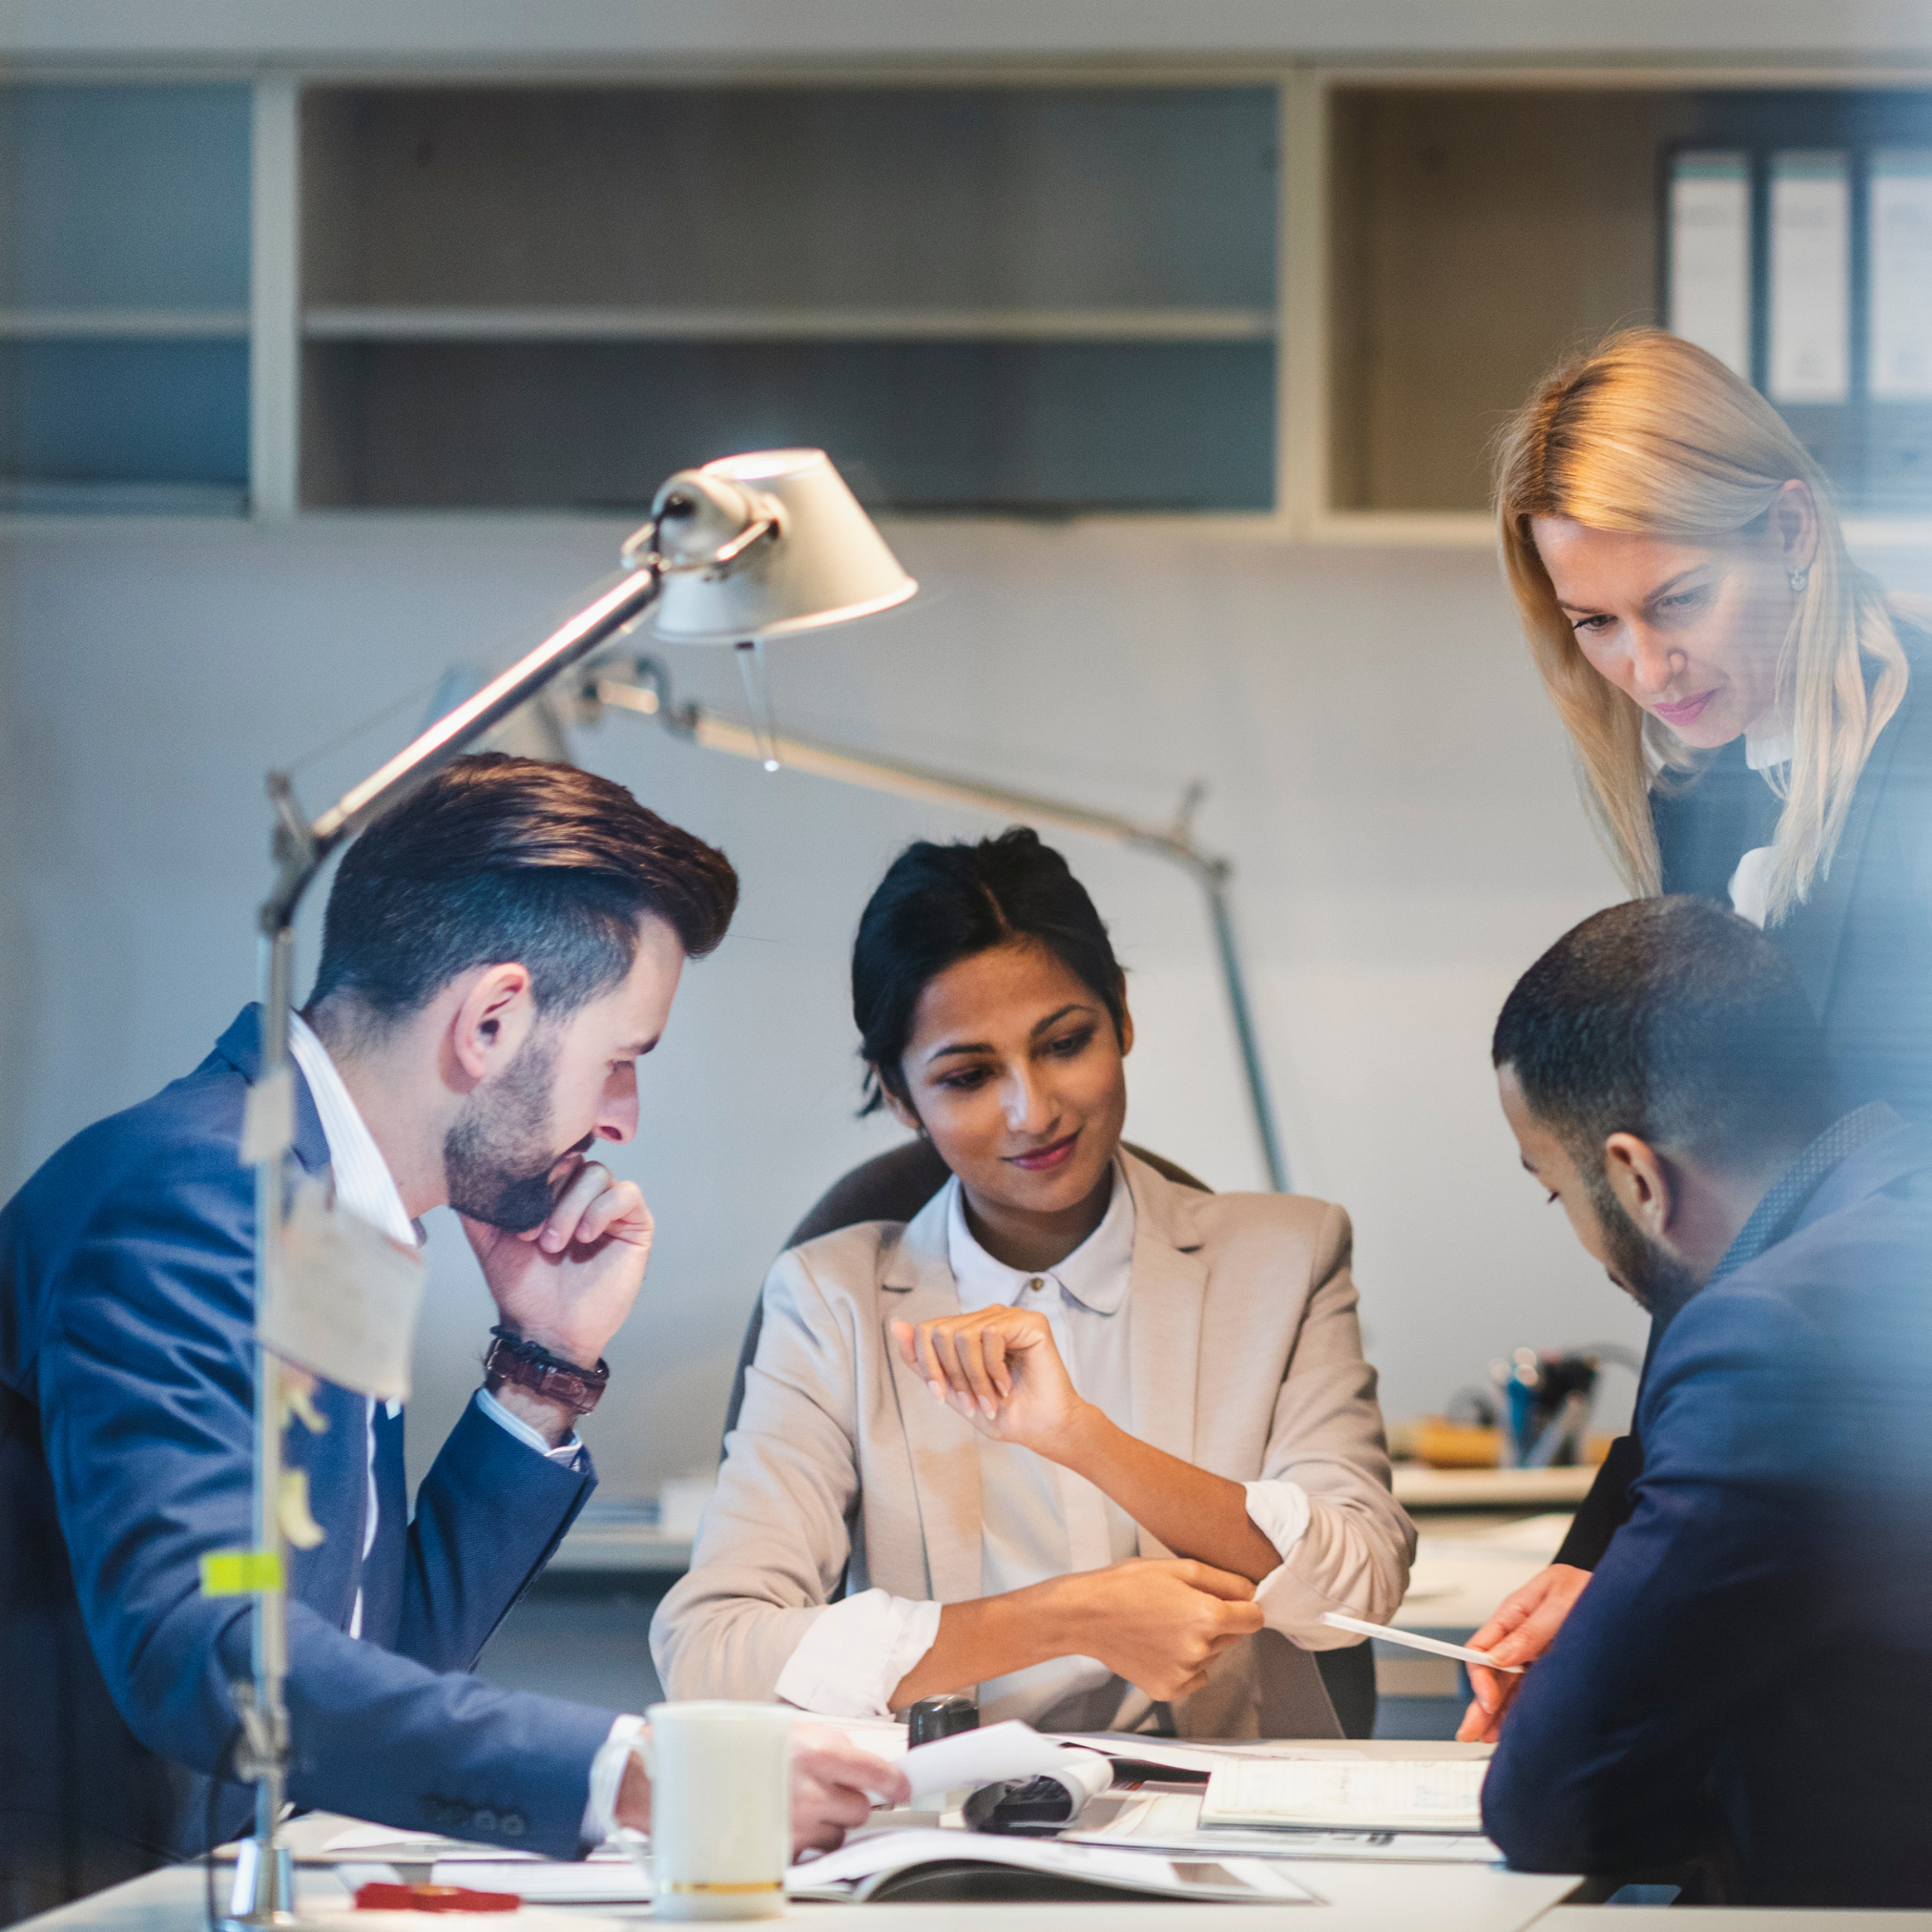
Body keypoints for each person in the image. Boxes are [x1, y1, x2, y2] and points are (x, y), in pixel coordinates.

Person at [0, 755, 904, 1912]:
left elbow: (364, 1653)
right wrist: (635, 1771)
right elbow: (204, 1645)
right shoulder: (194, 1193)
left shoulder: (325, 1207)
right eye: (621, 1060)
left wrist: (544, 1369)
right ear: (488, 1020)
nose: (622, 1116)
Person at [653, 828, 1413, 1735]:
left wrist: (1084, 1439)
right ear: (899, 1098)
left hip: (1226, 1832)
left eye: (1063, 1043)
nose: (1032, 1109)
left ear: (1121, 1016)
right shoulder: (831, 1300)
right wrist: (1070, 1617)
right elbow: (711, 1656)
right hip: (944, 1829)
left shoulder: (1287, 1259)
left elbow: (1359, 1584)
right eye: (969, 1075)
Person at [1471, 325, 1932, 1710]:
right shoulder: (1710, 800)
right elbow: (1715, 1225)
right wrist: (1612, 1549)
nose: (1645, 666)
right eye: (1593, 623)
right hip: (1806, 1495)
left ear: (1791, 531)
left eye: (1677, 599)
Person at [1474, 897, 1932, 1904]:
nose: (1582, 1239)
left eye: (1558, 1191)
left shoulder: (1769, 1337)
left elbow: (1555, 1799)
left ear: (1635, 1176)